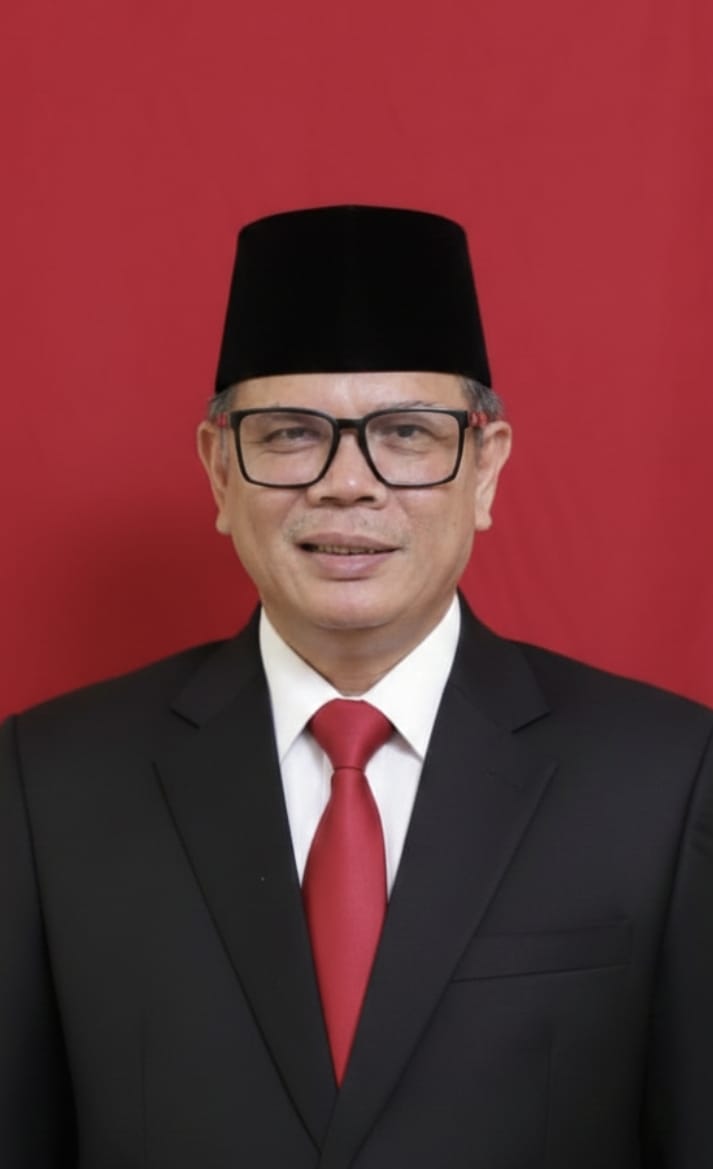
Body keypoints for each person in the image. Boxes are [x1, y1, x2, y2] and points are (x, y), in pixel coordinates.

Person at [1, 205, 712, 1169]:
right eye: (291, 434)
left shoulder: (664, 779)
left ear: (485, 468)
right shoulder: (49, 783)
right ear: (219, 470)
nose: (347, 484)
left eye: (406, 433)